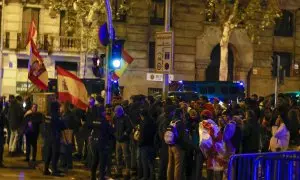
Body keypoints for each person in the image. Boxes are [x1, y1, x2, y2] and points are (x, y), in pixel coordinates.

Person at [89, 104, 114, 180]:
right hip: (102, 144)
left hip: (94, 143)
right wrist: (110, 124)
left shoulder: (95, 120)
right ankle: (101, 177)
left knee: (95, 160)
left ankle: (93, 177)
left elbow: (89, 127)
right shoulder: (105, 122)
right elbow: (111, 131)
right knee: (102, 162)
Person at [137, 109, 156, 180]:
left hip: (144, 145)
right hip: (151, 144)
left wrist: (140, 143)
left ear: (141, 115)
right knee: (151, 162)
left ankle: (145, 176)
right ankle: (152, 177)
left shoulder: (143, 123)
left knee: (144, 162)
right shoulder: (152, 121)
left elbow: (142, 135)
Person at [113, 105, 132, 177]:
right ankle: (119, 171)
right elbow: (114, 127)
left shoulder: (126, 118)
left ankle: (127, 171)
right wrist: (116, 135)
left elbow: (129, 128)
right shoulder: (115, 118)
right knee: (118, 156)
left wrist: (124, 135)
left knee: (126, 156)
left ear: (120, 111)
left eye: (116, 112)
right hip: (118, 140)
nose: (115, 113)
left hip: (124, 141)